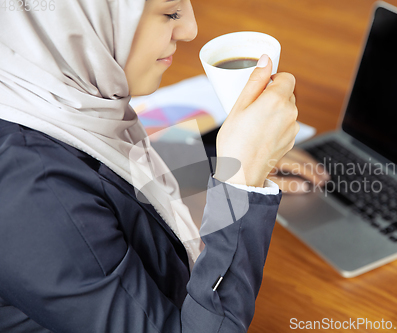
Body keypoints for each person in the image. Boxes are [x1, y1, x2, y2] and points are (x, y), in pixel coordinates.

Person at [0, 0, 327, 332]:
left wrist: (227, 153)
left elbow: (110, 175)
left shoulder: (55, 102)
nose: (190, 30)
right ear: (78, 21)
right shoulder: (33, 195)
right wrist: (242, 180)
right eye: (170, 12)